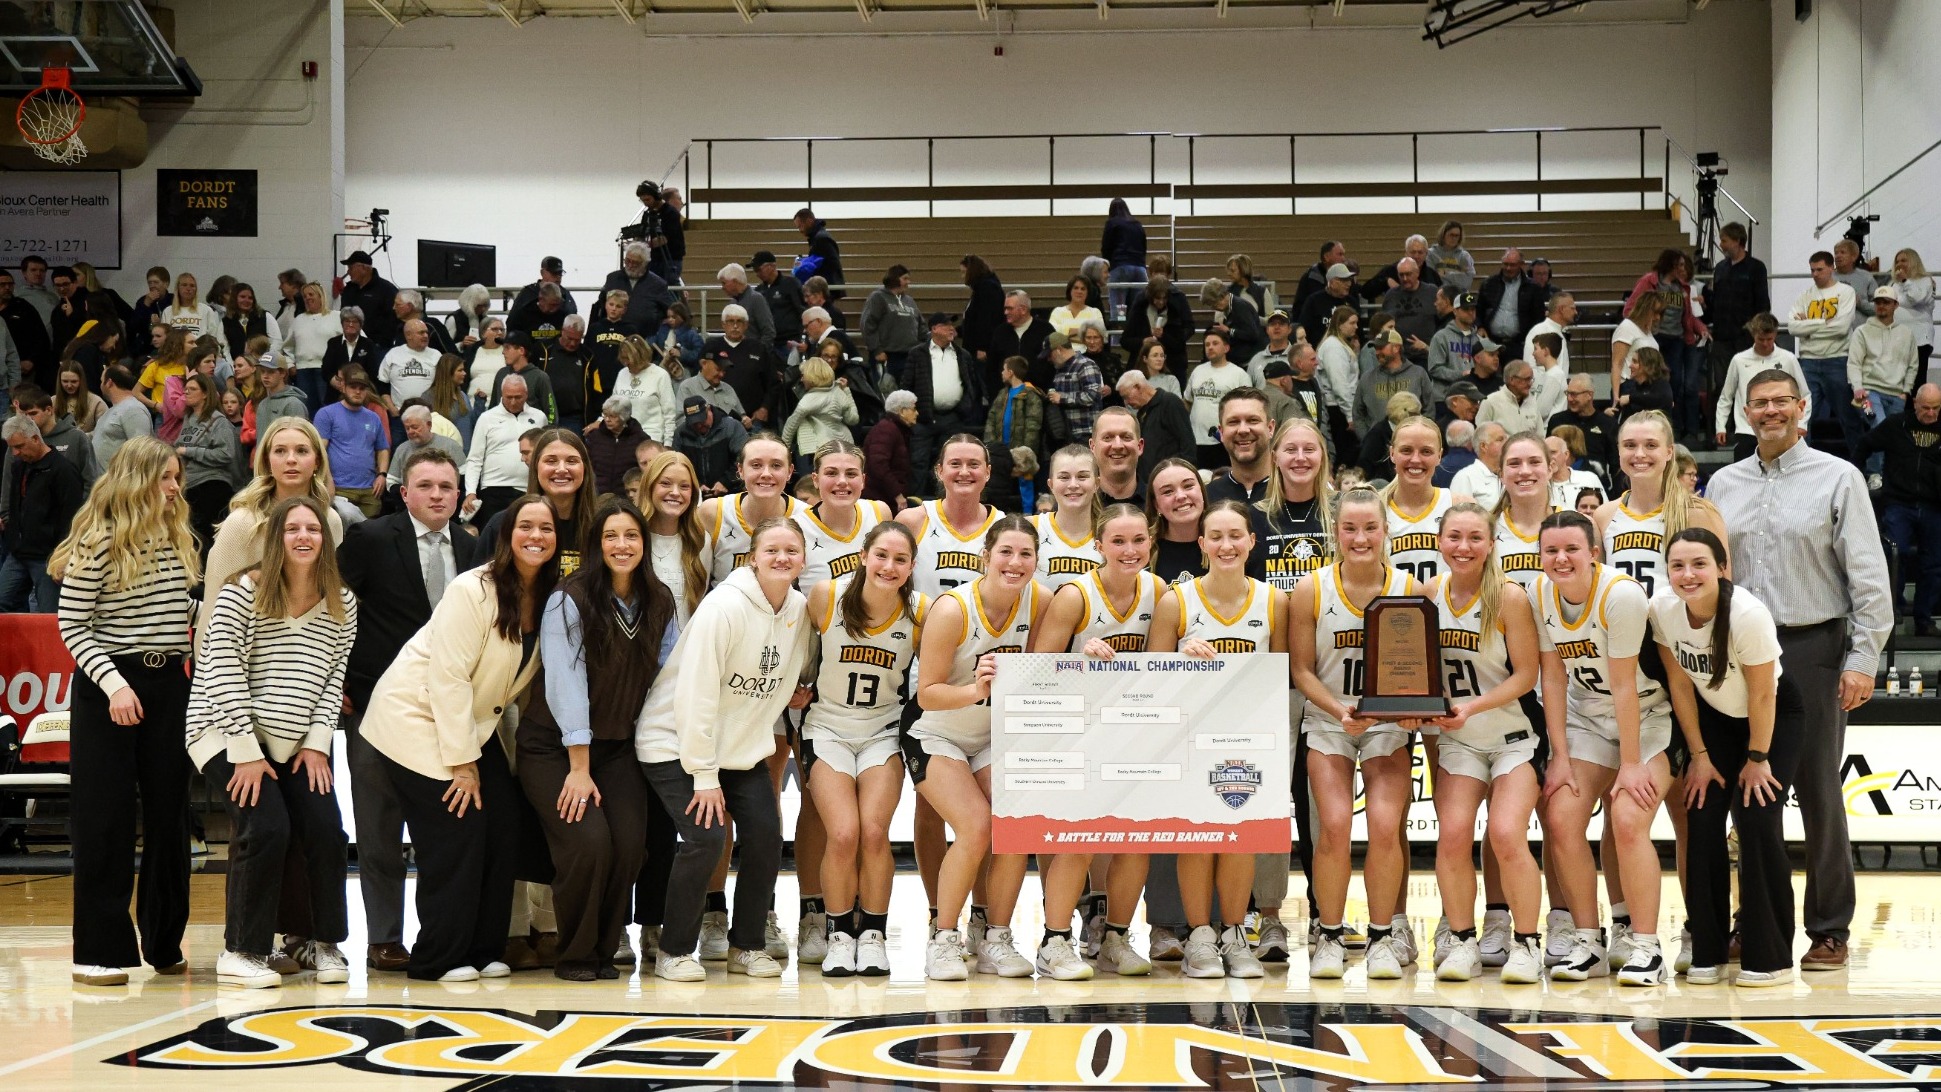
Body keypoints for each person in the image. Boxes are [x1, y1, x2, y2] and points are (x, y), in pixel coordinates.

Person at [1707, 369, 1892, 970]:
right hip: (1737, 651)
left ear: (1802, 408)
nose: (1769, 412)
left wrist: (1862, 660)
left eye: (1780, 401)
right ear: (1745, 412)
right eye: (1758, 403)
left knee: (1815, 789)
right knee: (1748, 793)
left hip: (1812, 645)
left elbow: (1868, 577)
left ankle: (1830, 927)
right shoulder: (1723, 482)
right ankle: (1754, 922)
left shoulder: (1838, 479)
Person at [359, 495, 557, 981]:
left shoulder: (552, 593)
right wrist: (464, 765)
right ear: (506, 536)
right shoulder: (474, 588)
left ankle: (484, 949)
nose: (536, 536)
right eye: (525, 526)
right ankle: (439, 957)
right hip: (415, 716)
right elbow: (447, 677)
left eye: (546, 529)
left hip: (468, 722)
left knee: (505, 823)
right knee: (457, 826)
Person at [184, 496, 357, 989]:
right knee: (266, 826)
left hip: (295, 740)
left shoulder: (342, 603)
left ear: (327, 540)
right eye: (292, 529)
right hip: (221, 730)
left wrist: (316, 744)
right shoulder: (243, 593)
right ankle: (241, 950)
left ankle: (319, 943)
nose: (304, 537)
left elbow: (331, 681)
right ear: (274, 538)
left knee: (326, 828)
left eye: (314, 529)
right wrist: (245, 752)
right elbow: (220, 672)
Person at [634, 517, 814, 981]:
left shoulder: (797, 609)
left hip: (740, 749)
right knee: (707, 839)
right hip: (674, 743)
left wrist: (798, 689)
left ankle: (746, 945)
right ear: (752, 556)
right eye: (771, 549)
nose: (781, 558)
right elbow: (696, 697)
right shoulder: (724, 607)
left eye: (791, 550)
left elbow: (785, 673)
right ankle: (673, 951)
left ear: (803, 559)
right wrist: (704, 775)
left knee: (766, 838)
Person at [52, 437, 198, 985]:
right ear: (137, 478)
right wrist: (114, 686)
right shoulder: (98, 538)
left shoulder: (174, 533)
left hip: (168, 684)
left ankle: (164, 942)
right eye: (165, 478)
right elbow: (72, 624)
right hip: (108, 683)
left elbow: (170, 608)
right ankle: (100, 949)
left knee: (170, 817)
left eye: (176, 477)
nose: (174, 487)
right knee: (105, 819)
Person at [516, 497, 676, 981]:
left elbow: (670, 678)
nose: (621, 545)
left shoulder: (661, 599)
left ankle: (606, 951)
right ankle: (576, 953)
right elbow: (566, 684)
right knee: (589, 843)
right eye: (611, 536)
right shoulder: (570, 596)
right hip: (554, 747)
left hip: (620, 746)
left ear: (644, 544)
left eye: (631, 536)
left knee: (630, 845)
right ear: (595, 544)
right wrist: (579, 768)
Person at [338, 446, 481, 972]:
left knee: (440, 831)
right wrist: (343, 683)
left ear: (459, 495)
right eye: (426, 486)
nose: (438, 495)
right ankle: (382, 937)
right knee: (378, 828)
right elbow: (335, 609)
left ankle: (437, 936)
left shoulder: (472, 549)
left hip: (446, 713)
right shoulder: (371, 539)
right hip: (374, 707)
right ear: (404, 492)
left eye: (447, 487)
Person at [908, 515, 1056, 980]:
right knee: (975, 828)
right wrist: (977, 689)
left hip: (994, 734)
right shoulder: (952, 610)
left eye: (1025, 554)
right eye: (1005, 552)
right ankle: (944, 939)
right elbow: (927, 692)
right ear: (984, 557)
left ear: (1036, 560)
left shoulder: (1043, 600)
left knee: (1018, 823)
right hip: (936, 730)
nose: (1015, 563)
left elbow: (1044, 667)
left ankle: (994, 936)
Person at [1653, 528, 1802, 988]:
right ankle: (1708, 950)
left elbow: (1762, 695)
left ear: (1722, 568)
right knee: (1700, 816)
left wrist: (1758, 757)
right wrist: (1698, 755)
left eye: (1699, 564)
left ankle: (1770, 957)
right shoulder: (1662, 609)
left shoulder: (1748, 615)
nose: (1687, 574)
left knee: (1757, 822)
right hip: (1713, 722)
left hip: (1771, 720)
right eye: (1677, 566)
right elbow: (1680, 686)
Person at [1138, 500, 1280, 980]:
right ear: (1201, 545)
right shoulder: (1177, 602)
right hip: (1188, 736)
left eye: (1235, 535)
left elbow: (1281, 677)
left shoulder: (1273, 602)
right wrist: (1179, 657)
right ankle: (1200, 935)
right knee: (1197, 838)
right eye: (1215, 536)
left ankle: (1236, 934)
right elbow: (1149, 679)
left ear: (1251, 542)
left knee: (1240, 839)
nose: (1226, 545)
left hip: (1249, 736)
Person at [1531, 510, 1673, 985]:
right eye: (1551, 550)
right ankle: (1589, 940)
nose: (1561, 558)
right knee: (1561, 815)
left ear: (1593, 553)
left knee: (1629, 818)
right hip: (1588, 719)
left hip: (1650, 719)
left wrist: (1630, 764)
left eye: (1572, 548)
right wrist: (1560, 756)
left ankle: (1646, 945)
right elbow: (1551, 677)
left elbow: (1625, 685)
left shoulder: (1621, 595)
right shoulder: (1540, 593)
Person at [1288, 488, 1417, 979]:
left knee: (1386, 826)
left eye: (1370, 528)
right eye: (1350, 528)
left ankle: (1383, 936)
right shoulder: (1312, 589)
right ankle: (1330, 934)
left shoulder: (1409, 589)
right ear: (1335, 533)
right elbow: (1302, 670)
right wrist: (1339, 709)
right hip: (1329, 720)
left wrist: (1408, 710)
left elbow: (1421, 674)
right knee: (1335, 825)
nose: (1360, 537)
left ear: (1386, 531)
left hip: (1387, 724)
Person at [1421, 502, 1544, 983]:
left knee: (1507, 833)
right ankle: (1463, 941)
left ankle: (1528, 944)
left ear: (1491, 544)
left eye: (1475, 537)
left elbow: (1527, 676)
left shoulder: (1509, 597)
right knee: (1451, 837)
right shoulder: (1431, 594)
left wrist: (1472, 705)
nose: (1464, 546)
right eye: (1454, 537)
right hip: (1461, 741)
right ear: (1439, 541)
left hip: (1513, 736)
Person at [801, 522, 924, 977]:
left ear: (911, 567)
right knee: (844, 834)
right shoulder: (825, 597)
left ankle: (872, 934)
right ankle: (838, 934)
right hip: (827, 728)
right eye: (882, 556)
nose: (889, 566)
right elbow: (798, 653)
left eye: (900, 559)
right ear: (863, 557)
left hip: (883, 731)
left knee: (874, 832)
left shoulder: (921, 612)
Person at [1856, 386, 1941, 635]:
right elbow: (1864, 445)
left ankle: (1924, 620)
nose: (1930, 413)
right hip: (1899, 502)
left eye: (1936, 408)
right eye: (1925, 407)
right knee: (1896, 555)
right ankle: (1893, 609)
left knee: (1933, 565)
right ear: (1915, 403)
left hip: (1934, 505)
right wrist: (1855, 476)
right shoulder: (1897, 424)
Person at [0, 413, 85, 611]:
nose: (15, 453)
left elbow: (72, 519)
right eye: (12, 447)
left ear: (36, 439)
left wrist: (62, 556)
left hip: (47, 558)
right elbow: (15, 505)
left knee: (49, 615)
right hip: (18, 553)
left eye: (19, 446)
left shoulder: (64, 471)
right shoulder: (19, 466)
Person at [1628, 252, 1709, 441]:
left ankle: (1679, 428)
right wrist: (1639, 329)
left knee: (1677, 384)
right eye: (1679, 265)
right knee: (1657, 382)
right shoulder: (1650, 282)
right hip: (1655, 338)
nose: (1683, 269)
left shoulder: (1683, 288)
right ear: (1670, 265)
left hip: (1676, 339)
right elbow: (1631, 308)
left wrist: (1701, 328)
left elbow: (1688, 316)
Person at [1849, 286, 1921, 474]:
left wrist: (1906, 391)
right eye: (1878, 302)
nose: (1881, 306)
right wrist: (1857, 387)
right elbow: (1854, 362)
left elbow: (1913, 364)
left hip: (1897, 394)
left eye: (1886, 302)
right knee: (1879, 427)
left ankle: (1888, 473)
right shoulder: (1862, 332)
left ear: (1895, 305)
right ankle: (1875, 474)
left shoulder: (1906, 333)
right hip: (1869, 393)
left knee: (1893, 435)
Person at [1789, 251, 1860, 439]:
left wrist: (1808, 325)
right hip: (1808, 361)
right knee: (1803, 420)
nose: (1815, 274)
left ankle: (1860, 465)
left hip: (1837, 360)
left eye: (1819, 269)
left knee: (1848, 417)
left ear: (1831, 268)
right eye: (1812, 270)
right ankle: (1801, 464)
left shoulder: (1845, 292)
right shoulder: (1805, 296)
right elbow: (1793, 328)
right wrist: (1824, 322)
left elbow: (1842, 328)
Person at [465, 374, 549, 525]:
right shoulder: (486, 418)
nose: (513, 402)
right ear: (501, 394)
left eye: (518, 397)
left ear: (526, 394)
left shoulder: (539, 417)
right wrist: (470, 492)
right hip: (493, 489)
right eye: (508, 397)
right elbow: (475, 458)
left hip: (528, 489)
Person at [176, 373, 242, 557]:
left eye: (193, 389)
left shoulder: (218, 421)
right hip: (190, 485)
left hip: (212, 486)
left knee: (207, 538)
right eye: (186, 389)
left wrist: (190, 452)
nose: (187, 392)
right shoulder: (189, 420)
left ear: (205, 393)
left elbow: (226, 454)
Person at [313, 369, 390, 518]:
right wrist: (327, 482)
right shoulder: (326, 414)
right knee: (345, 530)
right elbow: (319, 451)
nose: (357, 392)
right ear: (343, 387)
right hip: (339, 488)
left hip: (370, 490)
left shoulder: (373, 417)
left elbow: (383, 449)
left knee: (369, 535)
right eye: (353, 387)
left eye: (362, 388)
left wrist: (382, 475)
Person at [1704, 222, 1770, 363]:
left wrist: (1755, 330)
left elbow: (1762, 303)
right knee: (1722, 381)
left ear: (1737, 241)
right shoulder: (1720, 268)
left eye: (1724, 241)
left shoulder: (1756, 267)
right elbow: (1716, 299)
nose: (1721, 245)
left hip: (1745, 336)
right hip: (1722, 335)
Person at [780, 356, 858, 473]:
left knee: (811, 486)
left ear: (812, 376)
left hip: (814, 451)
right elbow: (853, 419)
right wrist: (847, 391)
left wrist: (783, 451)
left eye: (803, 375)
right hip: (843, 446)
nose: (802, 379)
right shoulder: (839, 392)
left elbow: (790, 427)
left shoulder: (809, 400)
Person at [1185, 331, 1246, 468]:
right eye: (1207, 344)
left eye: (1215, 343)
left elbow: (1246, 407)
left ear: (1226, 348)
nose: (1210, 347)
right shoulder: (1197, 371)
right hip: (1196, 440)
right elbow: (1187, 401)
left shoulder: (1238, 374)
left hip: (1222, 441)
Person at [1356, 327, 1433, 434]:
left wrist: (1419, 434)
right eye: (1376, 348)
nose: (1377, 352)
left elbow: (1429, 410)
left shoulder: (1418, 374)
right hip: (1378, 444)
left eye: (1381, 347)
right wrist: (1367, 439)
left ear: (1396, 348)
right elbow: (1358, 414)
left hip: (1411, 440)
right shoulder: (1367, 378)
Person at [1145, 458, 1207, 588]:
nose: (1180, 496)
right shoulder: (1142, 549)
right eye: (1168, 492)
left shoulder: (1224, 545)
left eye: (1188, 486)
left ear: (1202, 491)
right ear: (1157, 505)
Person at [1121, 275, 1195, 382]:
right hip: (1144, 370)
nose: (1161, 302)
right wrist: (1143, 342)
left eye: (1164, 298)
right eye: (1157, 298)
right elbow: (1125, 341)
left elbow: (1180, 341)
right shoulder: (1139, 310)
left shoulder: (1175, 312)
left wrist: (1164, 336)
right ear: (1150, 297)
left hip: (1171, 368)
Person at [1426, 292, 1495, 399]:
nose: (1471, 312)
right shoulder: (1441, 337)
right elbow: (1434, 369)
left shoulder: (1479, 339)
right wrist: (1461, 374)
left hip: (1472, 397)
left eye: (1473, 309)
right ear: (1455, 311)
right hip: (1445, 396)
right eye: (1466, 309)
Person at [1478, 249, 1545, 358]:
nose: (1508, 268)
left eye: (1512, 265)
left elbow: (1538, 317)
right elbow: (1478, 310)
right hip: (1490, 342)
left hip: (1518, 345)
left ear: (1521, 265)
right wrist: (1480, 327)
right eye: (1506, 264)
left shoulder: (1533, 288)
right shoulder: (1488, 284)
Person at [1547, 374, 1619, 472]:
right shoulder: (1557, 421)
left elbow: (1616, 464)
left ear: (1589, 395)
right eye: (1567, 393)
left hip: (1598, 484)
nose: (1569, 399)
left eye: (1574, 394)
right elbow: (1547, 456)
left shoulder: (1608, 424)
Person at [91, 365, 152, 475]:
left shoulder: (134, 410)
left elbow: (142, 452)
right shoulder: (112, 410)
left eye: (101, 381)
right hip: (105, 484)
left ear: (109, 382)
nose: (100, 385)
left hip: (122, 487)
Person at [864, 389, 915, 510]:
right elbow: (878, 465)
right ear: (902, 411)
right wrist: (897, 494)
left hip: (885, 498)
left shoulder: (894, 429)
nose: (917, 413)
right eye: (913, 409)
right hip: (880, 500)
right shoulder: (886, 430)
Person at [337, 251, 399, 350]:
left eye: (351, 268)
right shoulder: (348, 290)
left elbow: (394, 318)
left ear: (364, 268)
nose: (348, 272)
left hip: (377, 346)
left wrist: (382, 341)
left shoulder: (386, 290)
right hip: (351, 344)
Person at [1893, 248, 1935, 386]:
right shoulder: (1895, 285)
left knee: (1916, 380)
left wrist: (1905, 281)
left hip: (1919, 339)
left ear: (1913, 261)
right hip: (1898, 339)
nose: (1899, 264)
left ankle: (1918, 407)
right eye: (1897, 261)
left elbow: (1917, 298)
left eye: (1904, 260)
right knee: (1900, 380)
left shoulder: (1925, 281)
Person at [1100, 199, 1148, 313]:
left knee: (1119, 309)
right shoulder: (1137, 224)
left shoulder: (1112, 223)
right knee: (1137, 309)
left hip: (1120, 267)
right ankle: (1136, 329)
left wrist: (1108, 267)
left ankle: (1120, 327)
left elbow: (1106, 248)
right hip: (1140, 269)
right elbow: (1144, 246)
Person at [1476, 360, 1545, 437]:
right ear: (1512, 380)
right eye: (1526, 379)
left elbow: (1540, 436)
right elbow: (1480, 436)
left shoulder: (1532, 402)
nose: (1530, 384)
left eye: (1531, 379)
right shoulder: (1490, 402)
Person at [322, 306, 378, 397]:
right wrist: (335, 381)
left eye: (355, 322)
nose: (350, 324)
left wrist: (355, 383)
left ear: (361, 325)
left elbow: (372, 372)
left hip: (360, 393)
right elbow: (326, 369)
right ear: (342, 324)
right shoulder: (333, 343)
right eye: (347, 321)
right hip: (336, 394)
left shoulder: (368, 344)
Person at [1450, 422, 1508, 509]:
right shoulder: (1465, 477)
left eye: (1506, 438)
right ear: (1484, 446)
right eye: (1500, 439)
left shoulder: (1512, 474)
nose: (1507, 443)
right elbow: (1459, 516)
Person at [792, 209, 845, 301]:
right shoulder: (820, 237)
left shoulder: (820, 239)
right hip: (826, 286)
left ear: (809, 221)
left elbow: (829, 264)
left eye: (800, 226)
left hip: (824, 287)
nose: (800, 230)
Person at [161, 271, 221, 339]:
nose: (188, 289)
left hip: (199, 349)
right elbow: (164, 338)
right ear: (178, 288)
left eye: (192, 286)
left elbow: (213, 336)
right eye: (184, 285)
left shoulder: (205, 310)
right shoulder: (168, 311)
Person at [1427, 221, 1475, 291]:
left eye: (1457, 236)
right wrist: (1457, 276)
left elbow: (1466, 283)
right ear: (1443, 235)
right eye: (1451, 235)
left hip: (1458, 294)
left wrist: (1445, 274)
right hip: (1437, 294)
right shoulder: (1431, 254)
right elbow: (1430, 279)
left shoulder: (1465, 256)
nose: (1454, 238)